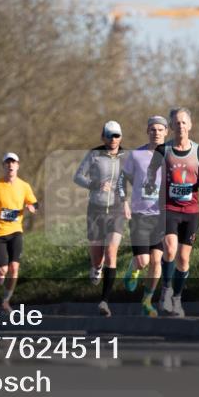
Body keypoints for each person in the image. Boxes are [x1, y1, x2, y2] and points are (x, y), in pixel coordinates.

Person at [145, 107, 199, 318]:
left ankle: (177, 298)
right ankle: (166, 290)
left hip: (191, 211)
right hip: (169, 208)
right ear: (171, 127)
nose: (180, 126)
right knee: (170, 250)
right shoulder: (164, 150)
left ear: (189, 126)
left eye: (184, 122)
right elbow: (151, 172)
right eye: (177, 123)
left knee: (183, 259)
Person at [73, 120, 128, 317]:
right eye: (110, 135)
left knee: (111, 252)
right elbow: (78, 176)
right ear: (103, 136)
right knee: (98, 256)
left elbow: (127, 181)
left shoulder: (126, 156)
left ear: (120, 137)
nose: (113, 139)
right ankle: (96, 267)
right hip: (95, 210)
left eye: (117, 135)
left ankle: (104, 301)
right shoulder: (94, 155)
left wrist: (127, 202)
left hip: (116, 210)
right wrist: (95, 184)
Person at [120, 116, 169, 317]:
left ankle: (147, 301)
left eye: (160, 129)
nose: (156, 132)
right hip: (140, 214)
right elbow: (122, 180)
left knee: (157, 260)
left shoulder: (172, 155)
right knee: (143, 261)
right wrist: (124, 202)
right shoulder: (136, 155)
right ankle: (133, 267)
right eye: (152, 129)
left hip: (162, 215)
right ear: (147, 131)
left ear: (166, 132)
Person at [0, 153, 38, 313]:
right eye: (7, 163)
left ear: (18, 166)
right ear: (3, 166)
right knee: (4, 270)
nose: (10, 165)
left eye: (13, 162)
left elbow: (34, 202)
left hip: (16, 231)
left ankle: (6, 300)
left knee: (14, 268)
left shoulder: (24, 186)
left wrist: (32, 208)